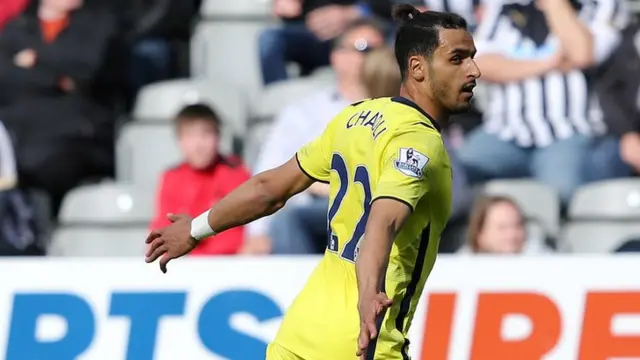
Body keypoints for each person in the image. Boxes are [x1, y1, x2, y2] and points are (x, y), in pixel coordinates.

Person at [145, 4, 480, 359]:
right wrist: (368, 296)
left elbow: (269, 189)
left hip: (300, 334)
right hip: (361, 339)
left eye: (472, 57)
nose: (475, 70)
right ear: (418, 68)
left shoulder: (354, 118)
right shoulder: (420, 142)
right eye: (458, 59)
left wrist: (195, 229)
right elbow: (381, 224)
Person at [149, 104, 250, 255]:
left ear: (218, 136)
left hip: (226, 265)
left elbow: (236, 234)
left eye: (206, 134)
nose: (199, 144)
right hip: (182, 267)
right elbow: (162, 232)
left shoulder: (237, 174)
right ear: (179, 141)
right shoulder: (171, 178)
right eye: (190, 136)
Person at [459, 195, 552, 254]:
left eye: (518, 226)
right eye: (502, 228)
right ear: (480, 235)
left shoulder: (542, 259)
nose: (512, 235)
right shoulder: (459, 266)